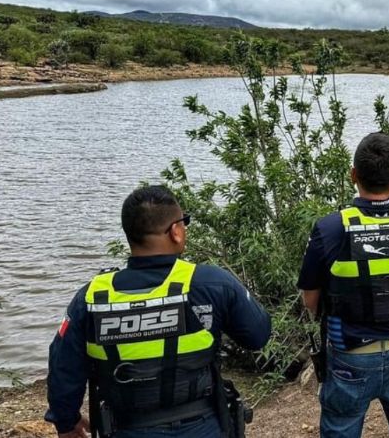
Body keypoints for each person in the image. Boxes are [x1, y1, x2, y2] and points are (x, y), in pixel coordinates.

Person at [45, 185, 272, 438]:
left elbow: (62, 365)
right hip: (202, 427)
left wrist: (66, 422)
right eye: (183, 223)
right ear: (175, 231)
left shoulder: (92, 297)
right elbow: (258, 334)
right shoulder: (212, 283)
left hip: (125, 429)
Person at [299, 132, 389, 438]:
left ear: (354, 175)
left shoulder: (330, 229)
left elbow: (310, 300)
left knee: (341, 428)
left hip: (349, 353)